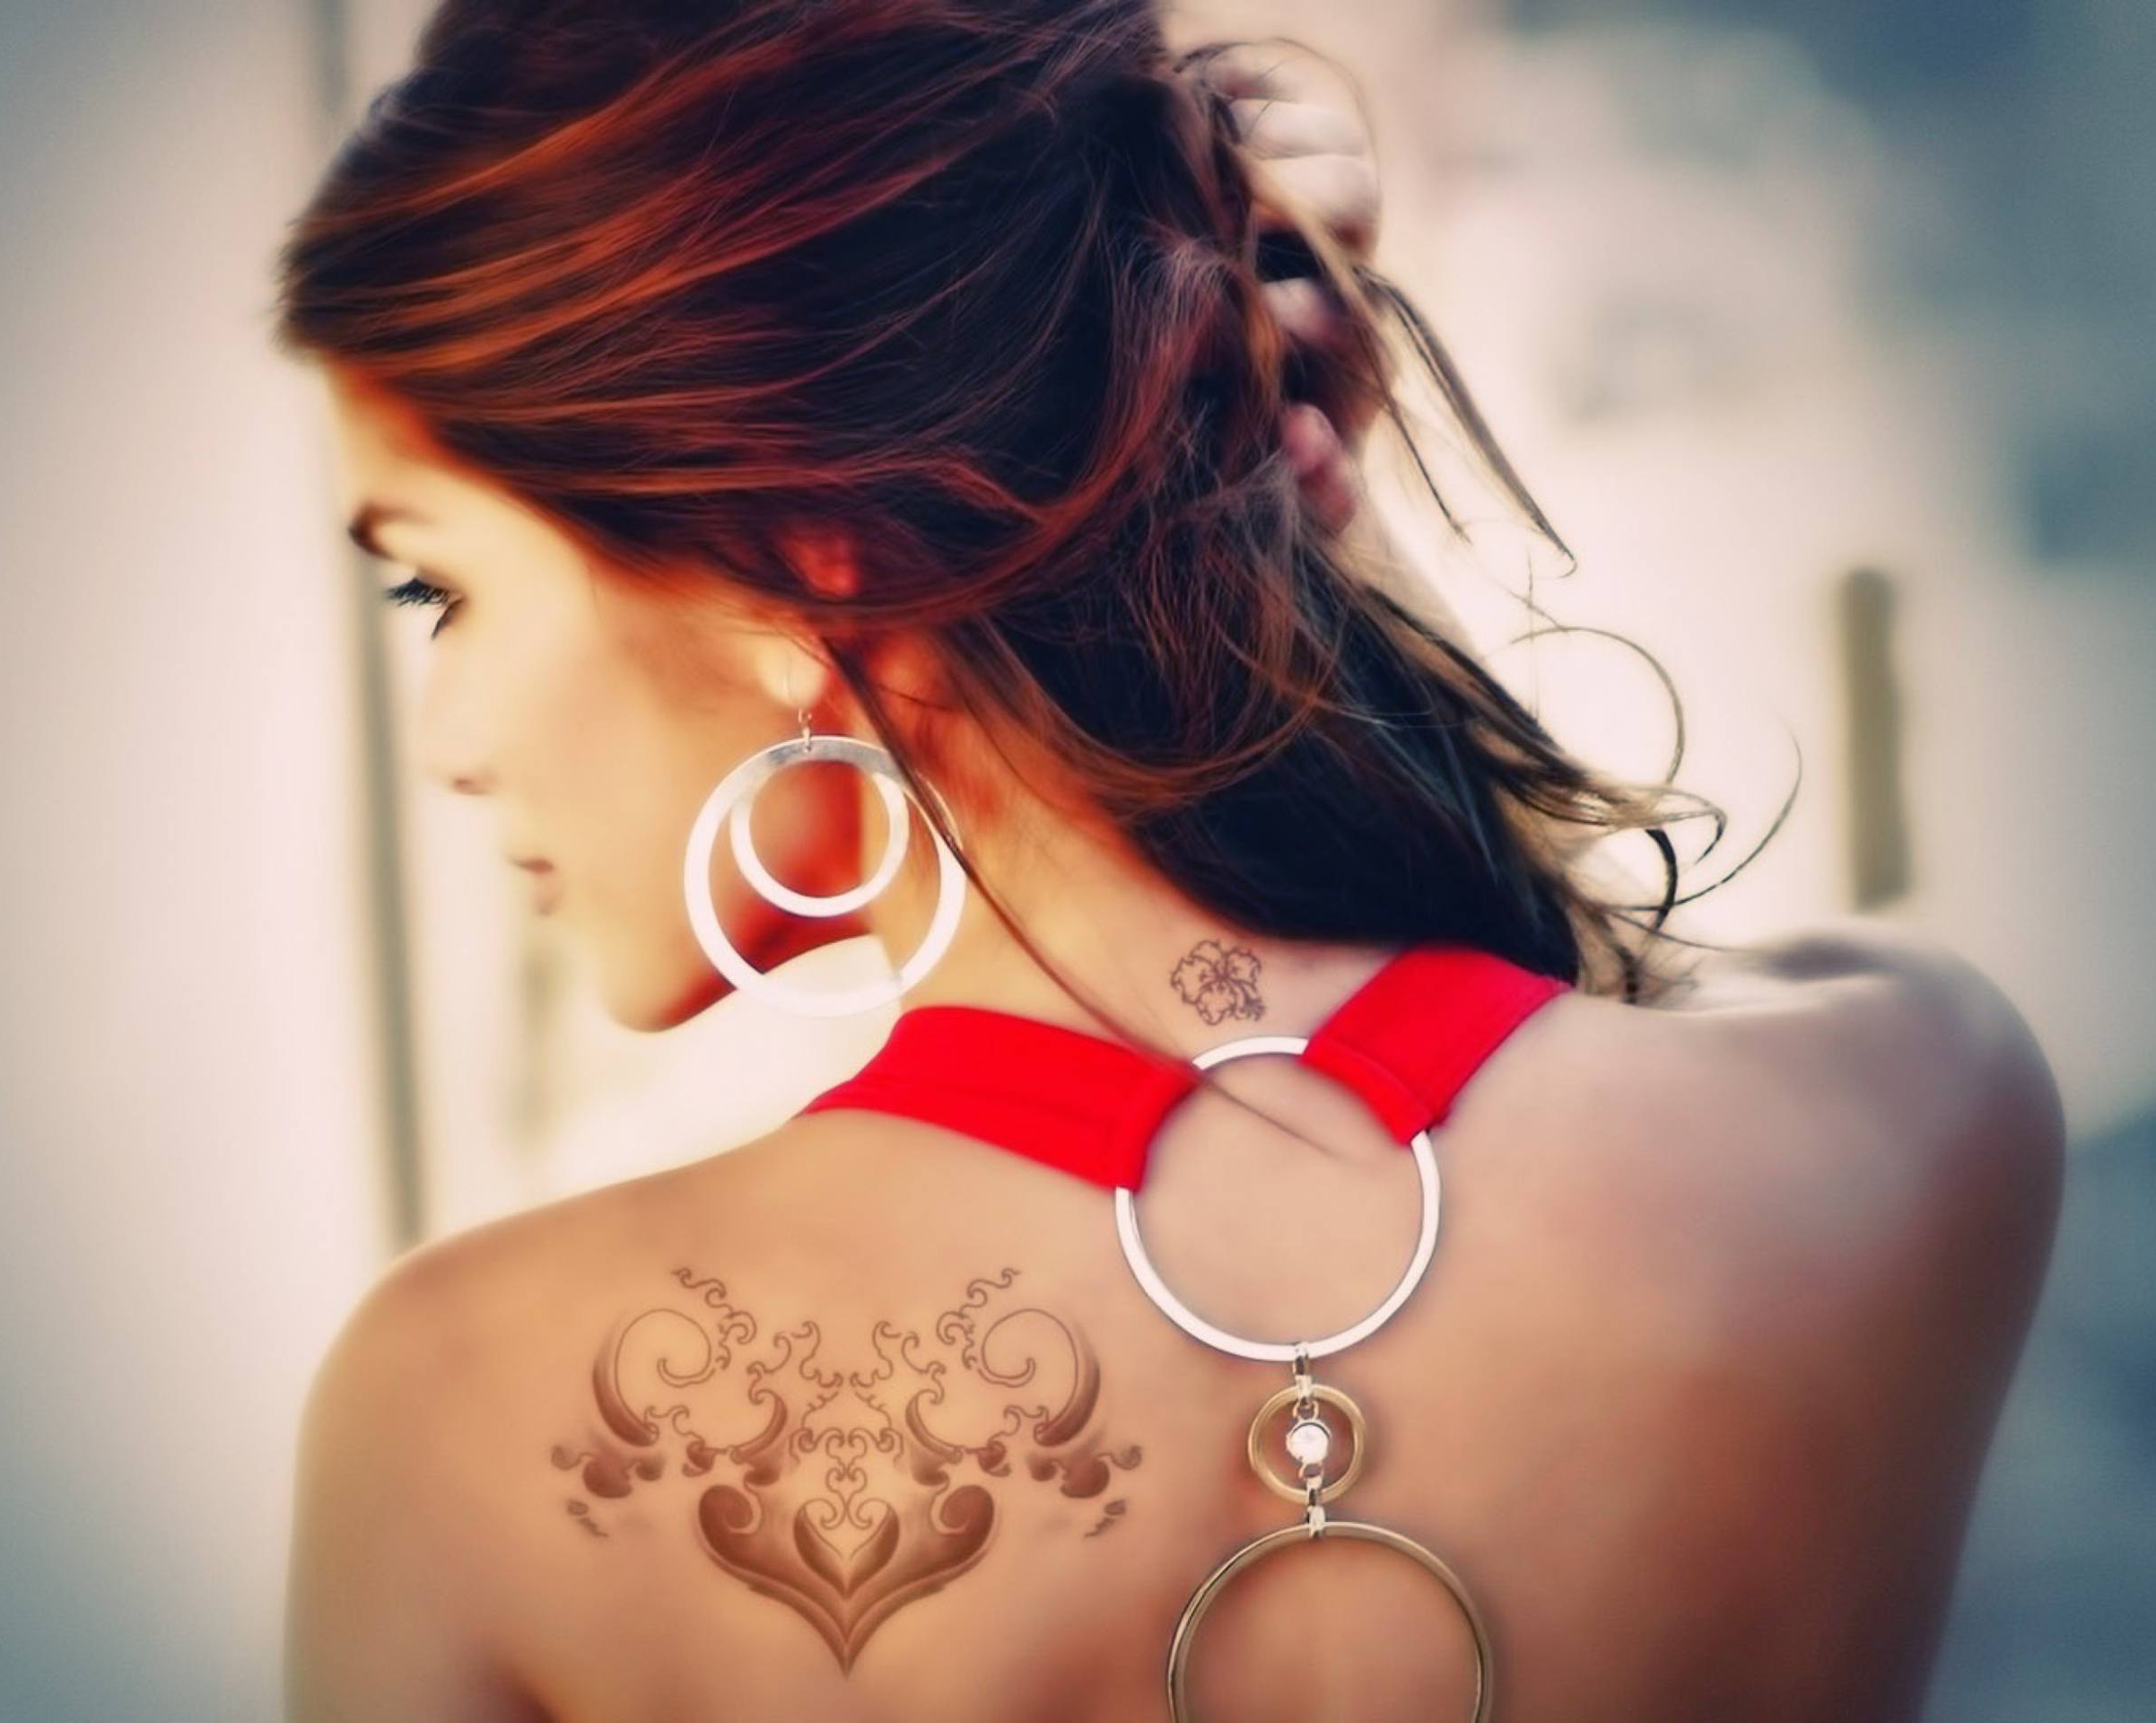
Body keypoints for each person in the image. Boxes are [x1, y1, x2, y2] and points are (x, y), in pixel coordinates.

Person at [269, 4, 2065, 1719]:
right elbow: (1585, 972)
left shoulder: (467, 1428)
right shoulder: (1902, 1106)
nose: (449, 741)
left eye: (439, 586)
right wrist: (1288, 510)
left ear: (788, 549)